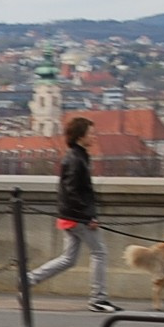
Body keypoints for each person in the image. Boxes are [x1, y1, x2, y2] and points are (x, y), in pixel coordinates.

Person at [26, 115, 119, 312]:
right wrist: (88, 217)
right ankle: (98, 298)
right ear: (80, 136)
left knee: (68, 259)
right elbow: (73, 192)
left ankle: (29, 280)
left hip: (70, 216)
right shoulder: (76, 159)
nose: (95, 137)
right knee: (100, 252)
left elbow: (71, 192)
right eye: (91, 133)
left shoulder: (76, 156)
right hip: (77, 217)